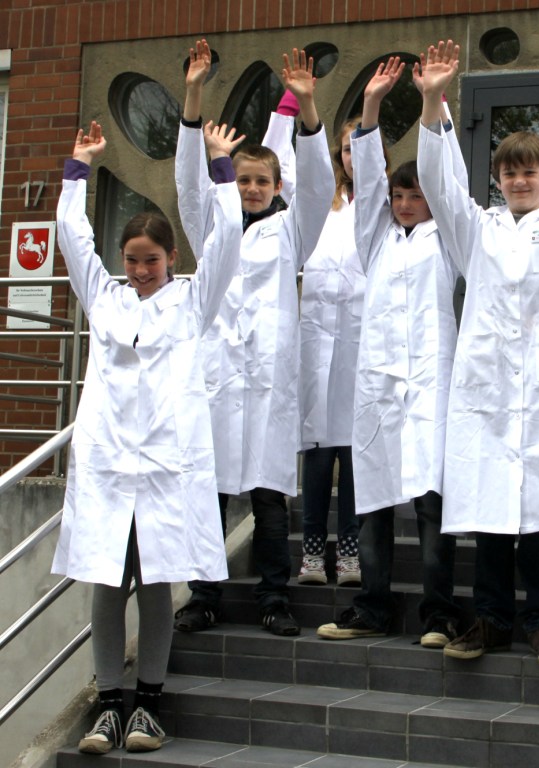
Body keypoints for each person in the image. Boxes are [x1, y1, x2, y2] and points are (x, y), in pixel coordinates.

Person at [53, 120, 242, 754]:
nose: (140, 271)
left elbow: (227, 240)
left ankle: (148, 708)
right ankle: (109, 705)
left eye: (151, 261)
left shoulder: (192, 302)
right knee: (107, 584)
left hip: (165, 467)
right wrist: (79, 168)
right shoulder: (104, 300)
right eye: (132, 260)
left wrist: (220, 169)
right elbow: (72, 237)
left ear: (172, 260)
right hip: (109, 464)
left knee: (156, 582)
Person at [417, 40, 539, 666]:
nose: (520, 181)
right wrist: (433, 103)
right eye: (509, 173)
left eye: (530, 172)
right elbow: (441, 185)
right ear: (497, 180)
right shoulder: (477, 229)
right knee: (492, 511)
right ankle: (493, 618)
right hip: (492, 393)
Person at [173, 41, 335, 635]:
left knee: (269, 500)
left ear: (276, 184)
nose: (251, 188)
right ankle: (203, 595)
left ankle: (274, 597)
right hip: (216, 383)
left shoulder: (292, 231)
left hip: (268, 387)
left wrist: (307, 109)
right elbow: (188, 184)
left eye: (263, 180)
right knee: (209, 497)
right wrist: (194, 96)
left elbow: (318, 187)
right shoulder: (210, 227)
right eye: (243, 178)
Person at [316, 56, 463, 646]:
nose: (404, 203)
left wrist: (433, 101)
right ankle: (372, 606)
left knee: (430, 502)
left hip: (429, 382)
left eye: (415, 194)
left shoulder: (447, 239)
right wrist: (371, 106)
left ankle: (439, 613)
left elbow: (448, 180)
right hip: (378, 385)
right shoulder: (374, 239)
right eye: (398, 195)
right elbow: (369, 182)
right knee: (372, 500)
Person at [291, 110, 368, 587]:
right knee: (318, 455)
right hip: (318, 342)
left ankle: (352, 553)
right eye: (346, 149)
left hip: (361, 345)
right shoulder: (323, 204)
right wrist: (293, 109)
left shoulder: (383, 203)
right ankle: (314, 552)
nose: (353, 156)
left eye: (362, 147)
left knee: (356, 455)